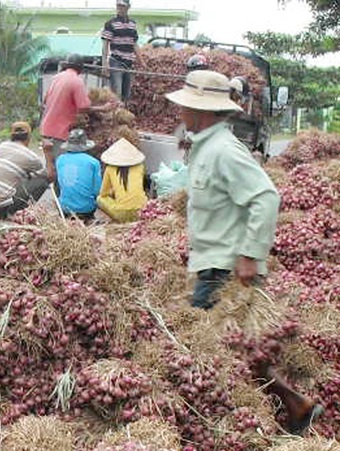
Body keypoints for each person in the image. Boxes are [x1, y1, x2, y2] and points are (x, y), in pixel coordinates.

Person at [166, 69, 323, 435]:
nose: (181, 113)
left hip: (225, 272)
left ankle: (223, 426)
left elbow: (266, 196)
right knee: (233, 350)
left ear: (201, 111)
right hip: (211, 266)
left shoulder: (224, 150)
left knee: (204, 350)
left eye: (186, 107)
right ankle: (296, 406)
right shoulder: (206, 147)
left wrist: (251, 254)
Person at [40, 54, 112, 185]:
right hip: (59, 133)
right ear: (80, 68)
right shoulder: (76, 81)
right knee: (62, 172)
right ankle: (62, 201)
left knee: (52, 169)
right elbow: (83, 107)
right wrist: (102, 108)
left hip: (46, 130)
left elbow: (45, 99)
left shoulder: (57, 77)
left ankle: (56, 200)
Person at [0, 121, 49, 219]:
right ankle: (15, 213)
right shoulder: (31, 157)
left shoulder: (1, 146)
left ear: (11, 136)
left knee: (13, 175)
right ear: (28, 137)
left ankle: (0, 213)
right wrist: (48, 152)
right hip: (3, 204)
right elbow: (47, 174)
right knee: (42, 182)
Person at [96, 138, 148, 222]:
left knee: (100, 199)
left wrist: (114, 191)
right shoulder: (140, 167)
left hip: (121, 213)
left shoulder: (110, 168)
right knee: (142, 197)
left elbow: (103, 193)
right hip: (141, 210)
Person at [56, 129, 102, 221]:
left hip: (65, 208)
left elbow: (61, 184)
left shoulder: (60, 159)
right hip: (86, 209)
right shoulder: (93, 162)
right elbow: (97, 190)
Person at [101, 0, 141, 103]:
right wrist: (104, 64)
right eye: (118, 6)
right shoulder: (110, 24)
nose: (120, 8)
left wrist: (142, 61)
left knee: (126, 94)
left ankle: (123, 115)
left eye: (122, 6)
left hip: (129, 63)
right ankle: (115, 116)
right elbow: (105, 45)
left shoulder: (132, 24)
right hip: (116, 62)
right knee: (116, 94)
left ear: (128, 7)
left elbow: (134, 44)